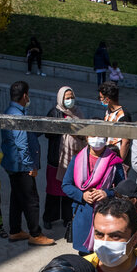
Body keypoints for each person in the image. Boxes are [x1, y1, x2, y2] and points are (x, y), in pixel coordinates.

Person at [1, 81, 54, 246]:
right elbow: (21, 145)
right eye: (28, 94)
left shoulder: (12, 112)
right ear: (25, 95)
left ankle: (15, 230)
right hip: (21, 166)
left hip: (13, 165)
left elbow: (27, 136)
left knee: (17, 197)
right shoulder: (17, 116)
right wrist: (30, 166)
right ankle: (35, 234)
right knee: (31, 200)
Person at [62, 137, 126, 254]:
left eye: (100, 136)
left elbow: (123, 188)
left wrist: (107, 193)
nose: (96, 139)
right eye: (93, 136)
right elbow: (66, 185)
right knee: (85, 256)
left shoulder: (114, 161)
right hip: (83, 213)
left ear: (106, 139)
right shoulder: (77, 159)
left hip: (106, 214)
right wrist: (82, 195)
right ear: (86, 138)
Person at [44, 86, 85, 238]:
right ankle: (49, 218)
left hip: (74, 158)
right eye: (66, 97)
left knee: (69, 191)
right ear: (61, 98)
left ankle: (67, 218)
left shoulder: (78, 113)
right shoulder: (54, 113)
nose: (69, 100)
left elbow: (84, 132)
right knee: (53, 191)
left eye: (71, 96)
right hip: (57, 159)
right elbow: (48, 134)